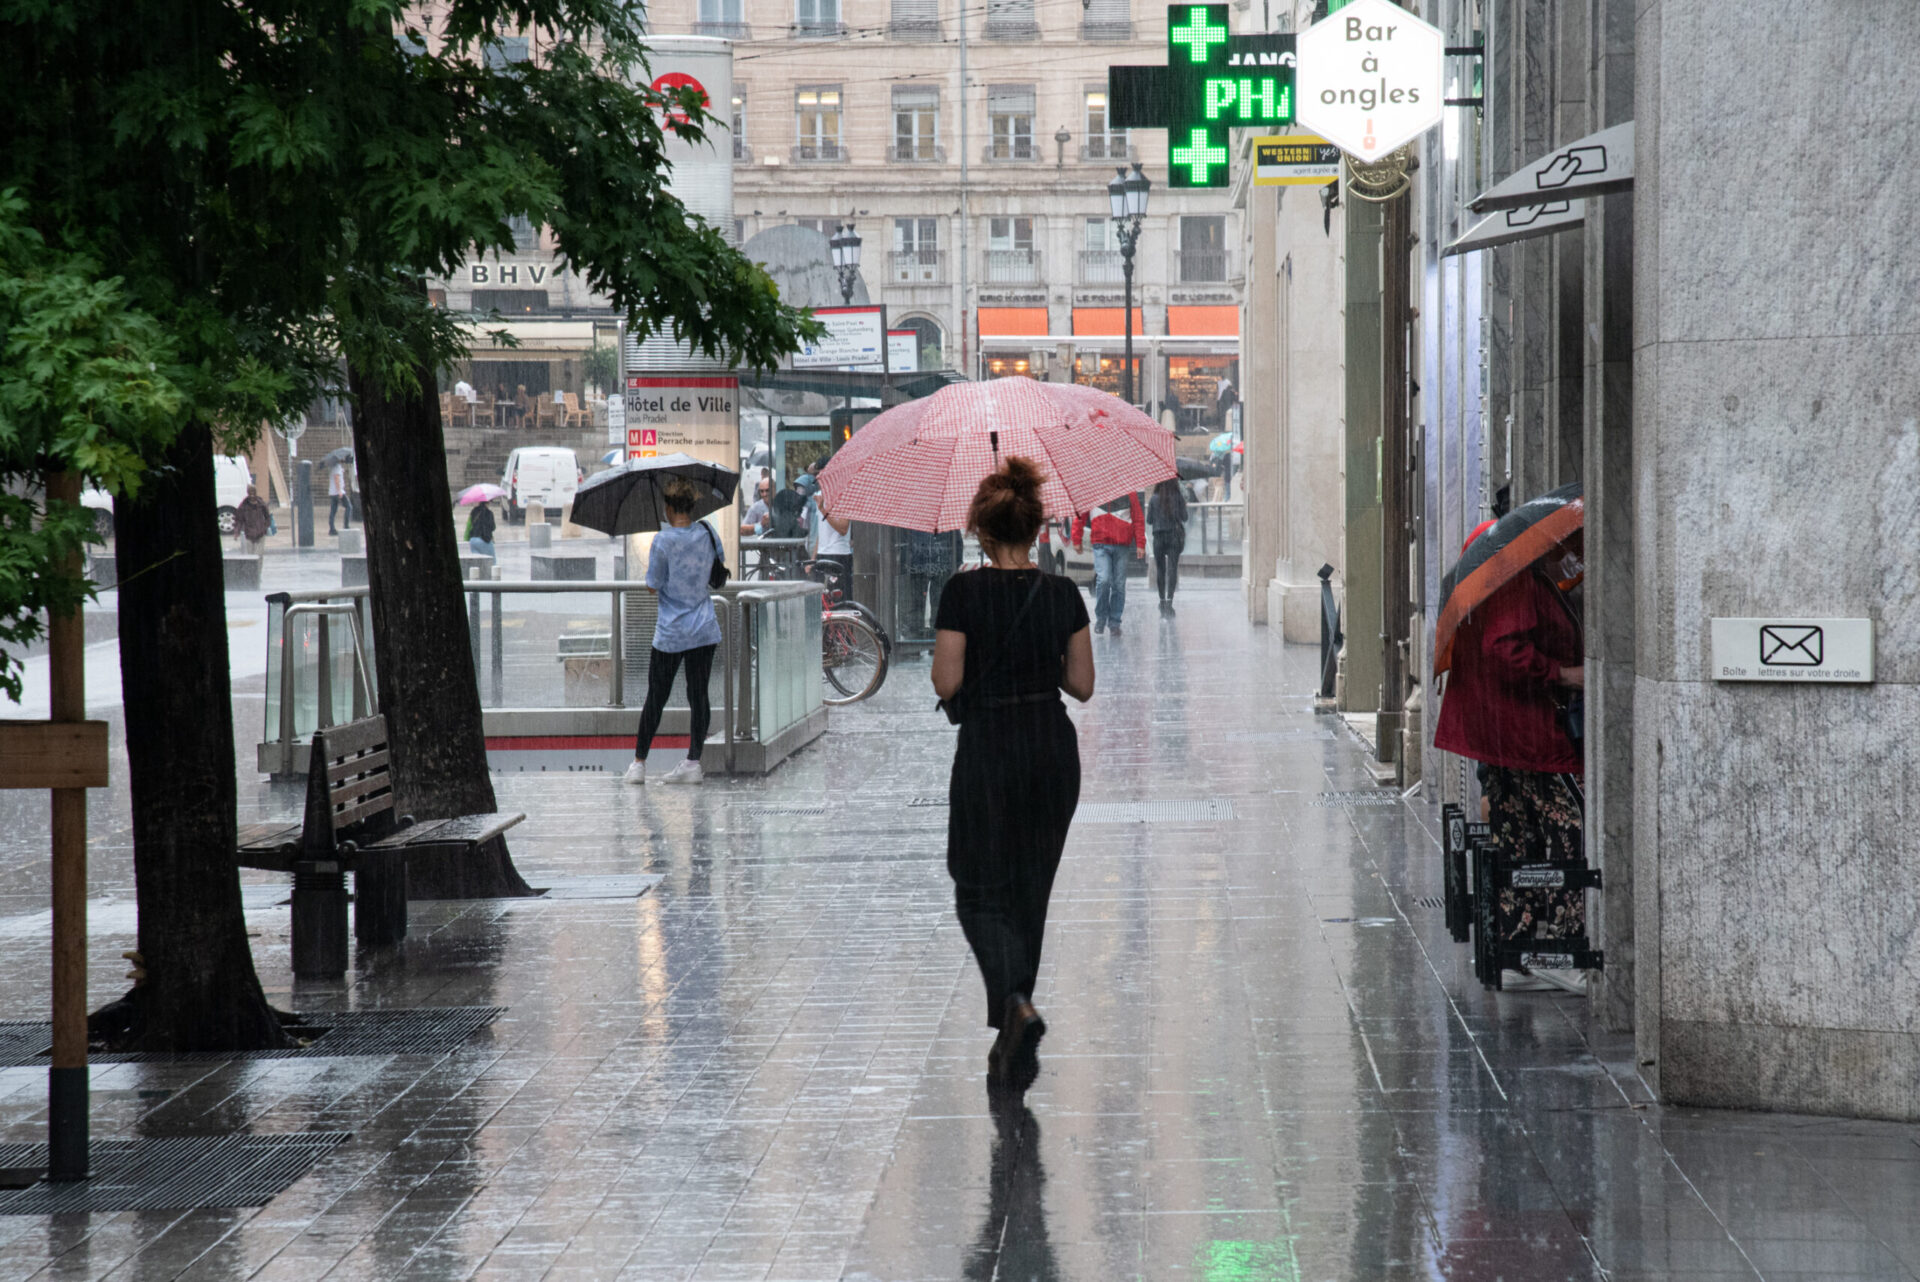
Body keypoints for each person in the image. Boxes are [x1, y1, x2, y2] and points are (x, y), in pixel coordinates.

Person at [933, 457, 1095, 1093]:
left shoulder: (962, 592)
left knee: (976, 886)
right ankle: (1012, 1028)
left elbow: (948, 681)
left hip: (990, 749)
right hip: (1052, 751)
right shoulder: (1062, 593)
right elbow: (1080, 684)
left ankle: (1015, 1005)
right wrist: (1039, 660)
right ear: (1035, 526)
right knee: (1030, 890)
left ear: (980, 529)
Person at [1432, 533, 1587, 994]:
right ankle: (1560, 950)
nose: (1573, 550)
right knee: (1569, 827)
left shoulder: (1519, 579)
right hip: (1524, 734)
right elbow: (1504, 647)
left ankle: (1513, 952)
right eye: (1569, 542)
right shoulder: (1518, 582)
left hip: (1504, 733)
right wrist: (1562, 673)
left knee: (1514, 832)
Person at [626, 477, 723, 786]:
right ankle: (693, 761)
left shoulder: (663, 541)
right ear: (692, 507)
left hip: (671, 633)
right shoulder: (708, 532)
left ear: (668, 508)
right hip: (704, 629)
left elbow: (653, 585)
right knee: (699, 695)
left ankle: (639, 763)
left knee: (657, 696)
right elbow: (716, 574)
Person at [1070, 492, 1145, 635]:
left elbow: (1138, 518)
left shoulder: (1129, 492)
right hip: (1101, 542)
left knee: (1119, 584)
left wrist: (1140, 543)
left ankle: (1114, 622)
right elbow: (1081, 514)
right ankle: (1101, 618)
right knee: (1103, 580)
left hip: (1122, 544)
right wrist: (1076, 537)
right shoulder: (1092, 492)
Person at [1146, 477, 1189, 613]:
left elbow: (1149, 520)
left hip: (1159, 536)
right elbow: (1185, 517)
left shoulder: (1154, 498)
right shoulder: (1178, 496)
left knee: (1161, 570)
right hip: (1173, 536)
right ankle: (1170, 602)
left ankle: (1162, 601)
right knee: (1172, 569)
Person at [814, 492, 853, 592]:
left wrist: (823, 510)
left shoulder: (843, 497)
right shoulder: (819, 495)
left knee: (840, 597)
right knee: (821, 598)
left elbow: (843, 528)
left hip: (839, 553)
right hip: (822, 553)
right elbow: (821, 532)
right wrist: (813, 558)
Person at [235, 485, 271, 555]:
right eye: (250, 493)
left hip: (260, 533)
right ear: (247, 493)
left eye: (253, 492)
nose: (252, 495)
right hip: (249, 534)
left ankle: (258, 566)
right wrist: (237, 532)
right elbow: (239, 520)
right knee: (250, 556)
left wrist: (265, 527)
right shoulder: (243, 506)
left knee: (259, 555)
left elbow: (267, 517)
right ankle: (252, 566)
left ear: (256, 492)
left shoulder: (261, 504)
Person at [327, 459, 352, 534]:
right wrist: (339, 491)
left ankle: (332, 529)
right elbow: (336, 479)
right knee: (349, 507)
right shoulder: (337, 467)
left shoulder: (334, 467)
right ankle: (346, 525)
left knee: (333, 511)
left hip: (332, 492)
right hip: (338, 492)